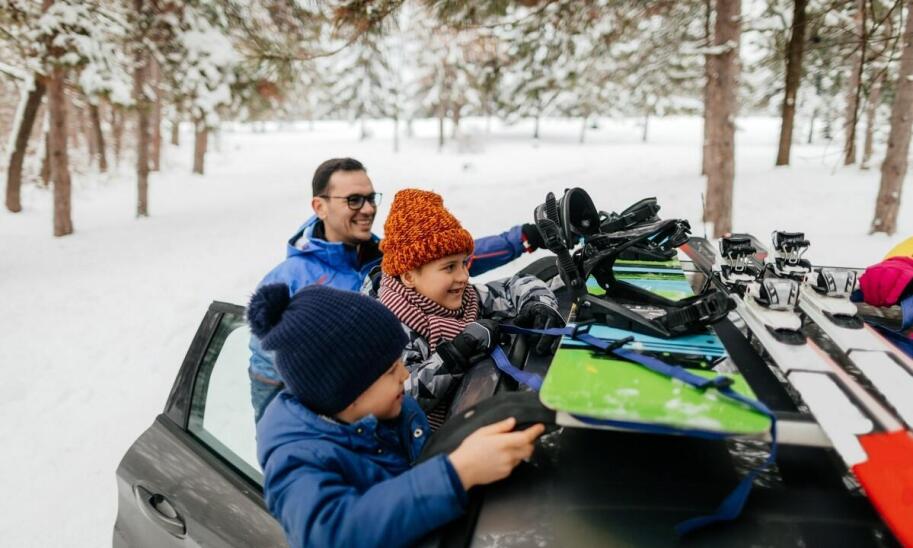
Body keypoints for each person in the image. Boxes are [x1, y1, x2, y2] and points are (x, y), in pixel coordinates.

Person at [249, 157, 546, 421]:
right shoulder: (289, 281)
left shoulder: (384, 256)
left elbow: (450, 262)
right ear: (319, 206)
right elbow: (268, 374)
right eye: (354, 200)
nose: (368, 209)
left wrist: (519, 239)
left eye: (371, 198)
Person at [249, 283, 545, 547]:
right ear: (348, 390)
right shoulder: (294, 457)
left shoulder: (391, 406)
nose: (405, 375)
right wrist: (457, 473)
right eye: (392, 371)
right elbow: (330, 535)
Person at [377, 189, 564, 428]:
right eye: (449, 267)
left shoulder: (468, 298)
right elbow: (399, 399)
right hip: (424, 442)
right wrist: (455, 354)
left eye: (464, 263)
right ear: (409, 276)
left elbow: (516, 285)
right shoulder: (389, 327)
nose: (464, 276)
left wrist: (538, 305)